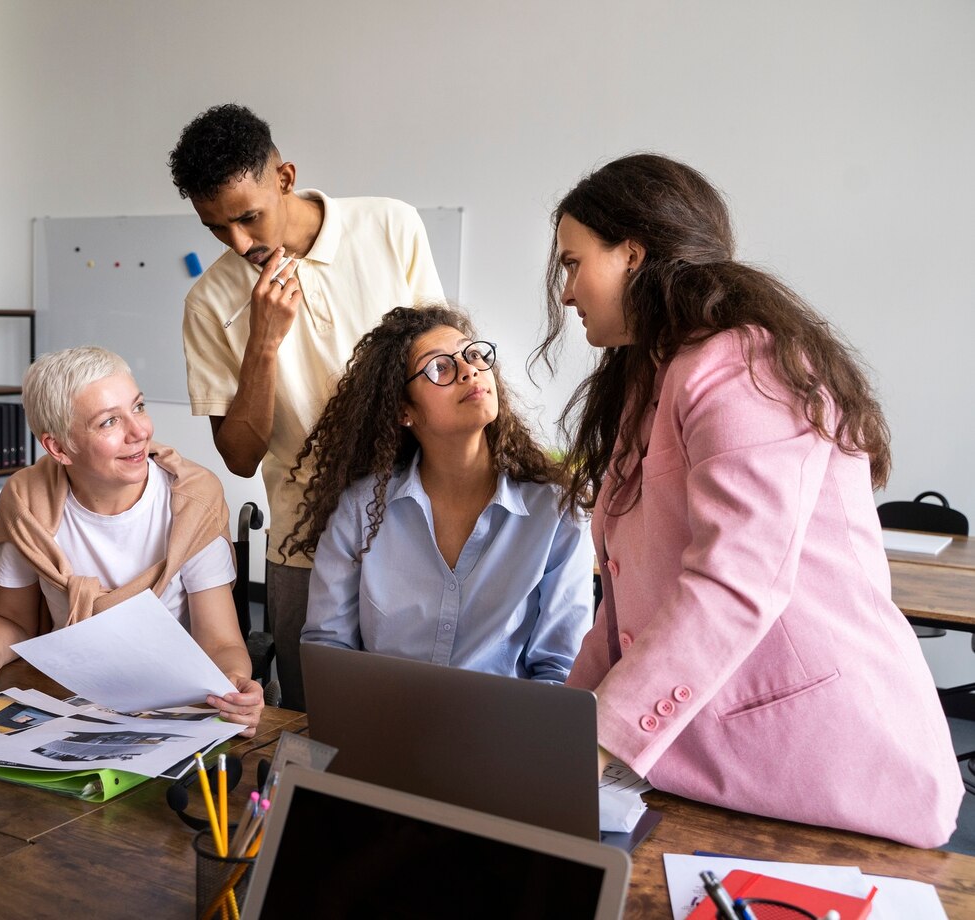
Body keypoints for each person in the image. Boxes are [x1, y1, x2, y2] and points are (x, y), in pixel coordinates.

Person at [538, 153, 962, 847]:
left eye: (572, 263)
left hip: (831, 764)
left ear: (633, 254)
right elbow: (625, 610)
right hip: (718, 766)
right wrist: (556, 732)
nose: (566, 291)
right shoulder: (655, 374)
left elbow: (735, 583)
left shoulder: (742, 363)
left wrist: (593, 744)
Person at [170, 103, 445, 710]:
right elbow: (240, 458)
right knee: (309, 723)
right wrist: (263, 343)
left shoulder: (390, 226)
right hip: (302, 545)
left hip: (417, 522)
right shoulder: (209, 302)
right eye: (216, 228)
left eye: (248, 217)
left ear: (285, 178)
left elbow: (437, 368)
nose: (238, 242)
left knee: (419, 717)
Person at [0, 347, 264, 737]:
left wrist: (235, 683)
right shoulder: (28, 503)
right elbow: (11, 618)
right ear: (58, 447)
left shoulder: (191, 502)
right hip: (67, 697)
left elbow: (220, 640)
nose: (140, 431)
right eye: (109, 421)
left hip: (172, 702)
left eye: (138, 406)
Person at [288, 305, 592, 682]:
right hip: (385, 727)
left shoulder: (557, 512)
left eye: (474, 354)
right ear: (403, 411)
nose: (470, 370)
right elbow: (327, 647)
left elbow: (560, 670)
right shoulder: (359, 510)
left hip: (505, 733)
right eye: (440, 368)